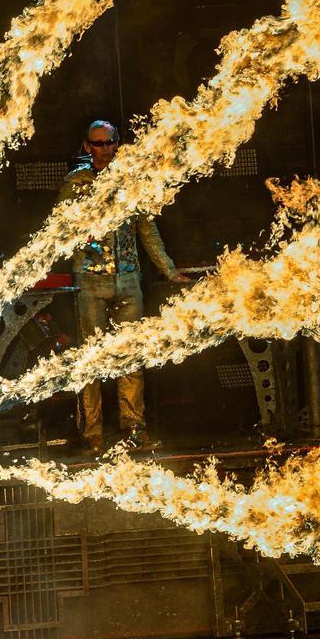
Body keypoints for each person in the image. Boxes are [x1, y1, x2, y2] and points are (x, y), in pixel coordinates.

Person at [58, 119, 192, 456]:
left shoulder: (132, 182)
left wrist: (169, 270)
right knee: (91, 359)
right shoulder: (75, 183)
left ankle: (134, 427)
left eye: (108, 143)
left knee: (130, 357)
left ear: (118, 144)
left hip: (128, 279)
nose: (103, 150)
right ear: (86, 146)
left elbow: (147, 228)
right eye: (97, 144)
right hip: (89, 280)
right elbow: (59, 231)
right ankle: (92, 434)